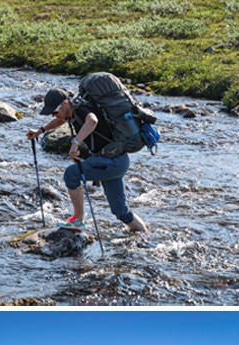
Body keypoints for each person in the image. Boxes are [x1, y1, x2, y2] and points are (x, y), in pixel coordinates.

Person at [26, 78, 149, 234]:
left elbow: (92, 121)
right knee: (120, 211)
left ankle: (79, 219)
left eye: (55, 110)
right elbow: (60, 120)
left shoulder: (80, 109)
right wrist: (40, 131)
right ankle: (146, 235)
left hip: (111, 162)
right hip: (116, 161)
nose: (54, 114)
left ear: (64, 103)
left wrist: (75, 143)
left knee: (71, 174)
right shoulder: (71, 111)